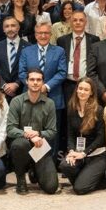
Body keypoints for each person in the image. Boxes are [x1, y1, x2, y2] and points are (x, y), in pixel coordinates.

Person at [6, 69, 60, 195]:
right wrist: (28, 135)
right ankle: (20, 179)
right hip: (22, 144)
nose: (35, 82)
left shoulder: (49, 103)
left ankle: (34, 169)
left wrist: (39, 134)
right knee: (20, 144)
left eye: (38, 80)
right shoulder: (16, 101)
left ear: (43, 82)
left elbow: (52, 131)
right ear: (26, 81)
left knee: (51, 187)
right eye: (32, 79)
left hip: (40, 146)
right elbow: (10, 129)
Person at [17, 21, 68, 154]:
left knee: (51, 135)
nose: (43, 36)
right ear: (35, 35)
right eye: (40, 33)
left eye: (46, 33)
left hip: (53, 97)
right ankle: (31, 164)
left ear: (50, 34)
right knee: (31, 133)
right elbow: (22, 73)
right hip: (30, 99)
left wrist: (46, 86)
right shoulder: (26, 51)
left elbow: (62, 72)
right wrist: (34, 86)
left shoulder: (59, 51)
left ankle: (49, 163)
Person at [59, 78, 106, 195]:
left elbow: (101, 138)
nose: (82, 92)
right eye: (80, 88)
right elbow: (70, 134)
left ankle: (102, 178)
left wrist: (84, 153)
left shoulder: (98, 110)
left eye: (86, 90)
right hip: (78, 152)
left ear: (91, 93)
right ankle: (85, 177)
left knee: (80, 189)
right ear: (76, 90)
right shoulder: (72, 108)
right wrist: (72, 151)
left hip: (96, 154)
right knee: (65, 165)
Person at [57, 10, 99, 103]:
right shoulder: (62, 41)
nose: (78, 22)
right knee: (69, 110)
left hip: (87, 84)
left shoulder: (94, 40)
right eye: (75, 20)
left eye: (81, 20)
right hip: (67, 84)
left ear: (85, 22)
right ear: (70, 22)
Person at [0, 16, 26, 103]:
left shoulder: (28, 47)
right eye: (7, 26)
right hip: (2, 93)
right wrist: (4, 86)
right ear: (3, 29)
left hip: (22, 92)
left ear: (18, 27)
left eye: (13, 25)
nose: (10, 29)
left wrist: (17, 84)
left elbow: (29, 69)